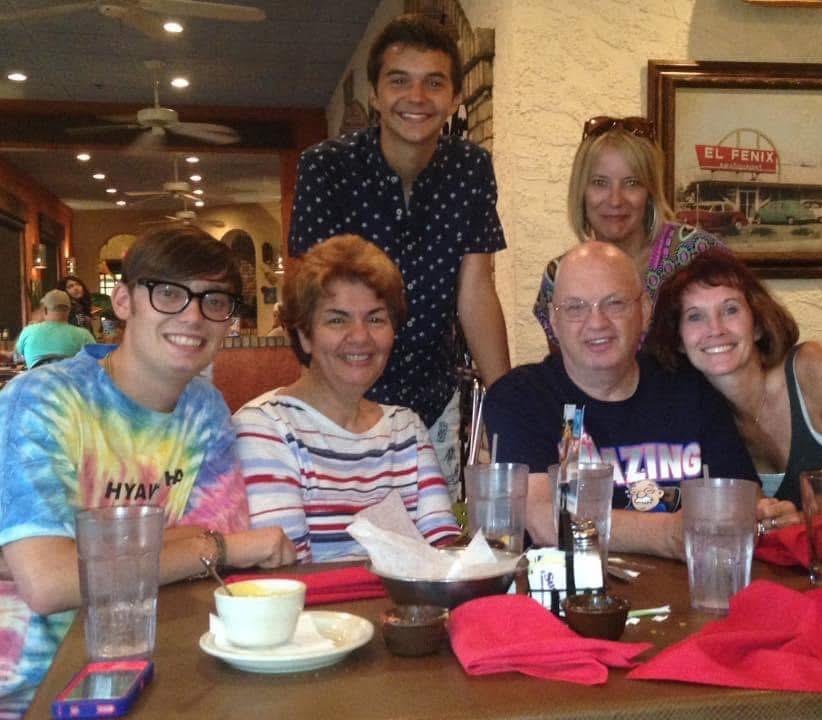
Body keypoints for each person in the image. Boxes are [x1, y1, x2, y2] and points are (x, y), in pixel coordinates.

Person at [0, 227, 295, 716]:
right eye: (169, 292)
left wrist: (81, 555)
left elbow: (220, 561)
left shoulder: (206, 408)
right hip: (29, 689)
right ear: (123, 301)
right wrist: (211, 547)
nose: (193, 316)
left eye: (214, 300)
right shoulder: (44, 398)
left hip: (159, 671)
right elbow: (50, 583)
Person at [288, 14, 511, 497]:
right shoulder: (327, 168)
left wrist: (506, 401)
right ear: (375, 94)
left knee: (433, 541)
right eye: (399, 81)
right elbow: (308, 297)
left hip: (433, 397)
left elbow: (476, 290)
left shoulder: (471, 168)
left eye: (434, 83)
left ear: (454, 97)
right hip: (340, 393)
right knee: (341, 539)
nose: (416, 98)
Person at [485, 242, 786, 560]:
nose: (597, 322)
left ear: (644, 311)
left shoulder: (690, 383)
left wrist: (767, 516)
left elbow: (742, 495)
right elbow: (541, 519)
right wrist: (667, 534)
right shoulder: (520, 397)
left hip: (693, 593)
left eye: (614, 303)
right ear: (554, 322)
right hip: (576, 601)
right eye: (576, 308)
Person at [645, 247, 822, 514]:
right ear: (679, 340)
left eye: (730, 310)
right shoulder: (701, 415)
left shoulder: (815, 367)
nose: (715, 329)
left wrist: (815, 519)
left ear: (757, 324)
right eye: (695, 317)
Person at [234, 234, 461, 563]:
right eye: (337, 319)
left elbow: (443, 556)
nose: (360, 336)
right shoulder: (264, 429)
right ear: (304, 335)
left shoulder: (406, 429)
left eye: (375, 319)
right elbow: (289, 575)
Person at [533, 116, 723, 351]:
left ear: (650, 192)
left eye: (632, 183)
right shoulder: (560, 277)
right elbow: (565, 375)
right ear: (581, 190)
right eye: (600, 183)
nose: (615, 200)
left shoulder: (697, 254)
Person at [13, 289, 95, 368]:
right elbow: (96, 361)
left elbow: (17, 357)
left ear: (44, 310)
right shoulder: (84, 335)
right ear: (69, 310)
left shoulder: (29, 331)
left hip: (37, 381)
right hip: (70, 381)